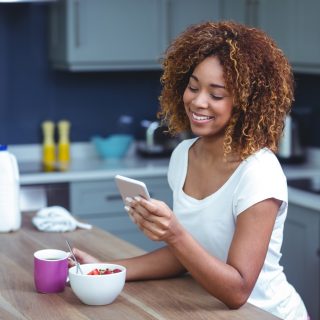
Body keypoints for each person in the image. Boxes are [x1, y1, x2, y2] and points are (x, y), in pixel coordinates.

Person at [71, 21, 308, 320]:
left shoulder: (258, 173)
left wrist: (175, 234)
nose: (197, 101)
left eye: (216, 94)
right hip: (210, 309)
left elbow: (238, 290)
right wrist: (107, 270)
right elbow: (184, 256)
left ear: (246, 103)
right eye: (193, 87)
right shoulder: (183, 155)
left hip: (266, 313)